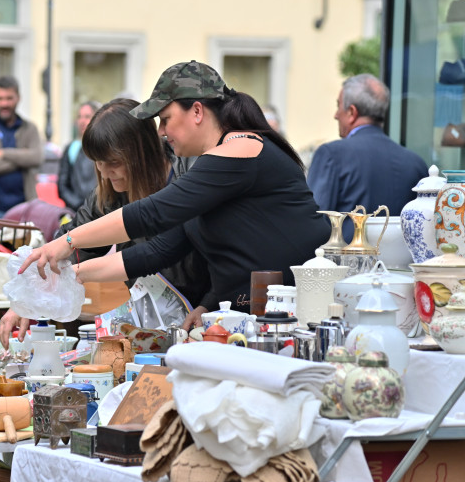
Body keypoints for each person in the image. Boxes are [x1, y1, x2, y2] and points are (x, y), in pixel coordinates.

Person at [19, 61, 330, 328]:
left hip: (294, 315)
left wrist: (68, 241)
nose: (161, 133)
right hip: (250, 315)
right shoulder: (213, 168)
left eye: (165, 119)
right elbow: (158, 251)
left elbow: (153, 214)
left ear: (196, 111)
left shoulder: (240, 149)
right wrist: (66, 276)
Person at [0, 97, 210, 347]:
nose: (105, 174)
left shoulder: (186, 180)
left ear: (142, 153)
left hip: (205, 319)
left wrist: (210, 303)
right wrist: (28, 297)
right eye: (98, 163)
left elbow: (158, 252)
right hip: (156, 329)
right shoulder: (110, 193)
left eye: (114, 163)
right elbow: (71, 242)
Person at [307, 73, 428, 239]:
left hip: (345, 263)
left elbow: (312, 221)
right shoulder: (416, 163)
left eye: (338, 106)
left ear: (352, 112)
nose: (336, 115)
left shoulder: (331, 155)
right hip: (400, 265)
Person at [0, 75, 43, 216]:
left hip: (26, 208)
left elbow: (37, 158)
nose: (4, 103)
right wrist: (22, 159)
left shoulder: (30, 128)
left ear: (18, 98)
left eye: (9, 98)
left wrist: (4, 153)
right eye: (0, 98)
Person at [57, 100, 101, 210]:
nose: (82, 121)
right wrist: (78, 205)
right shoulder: (71, 149)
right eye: (79, 116)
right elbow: (62, 186)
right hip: (74, 211)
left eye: (87, 116)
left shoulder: (103, 148)